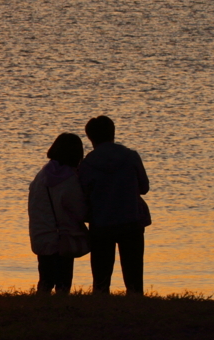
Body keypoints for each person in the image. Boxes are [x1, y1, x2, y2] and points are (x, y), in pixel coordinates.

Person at [78, 115, 150, 295]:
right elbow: (144, 188)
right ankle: (135, 304)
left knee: (101, 278)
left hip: (101, 223)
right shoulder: (131, 157)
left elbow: (83, 194)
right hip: (131, 220)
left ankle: (101, 305)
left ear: (91, 138)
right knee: (134, 276)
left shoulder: (87, 164)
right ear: (113, 133)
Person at [28, 133, 90, 295]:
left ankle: (42, 310)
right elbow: (80, 211)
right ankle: (62, 311)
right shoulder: (68, 180)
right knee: (63, 283)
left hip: (41, 236)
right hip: (62, 238)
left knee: (45, 280)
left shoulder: (40, 176)